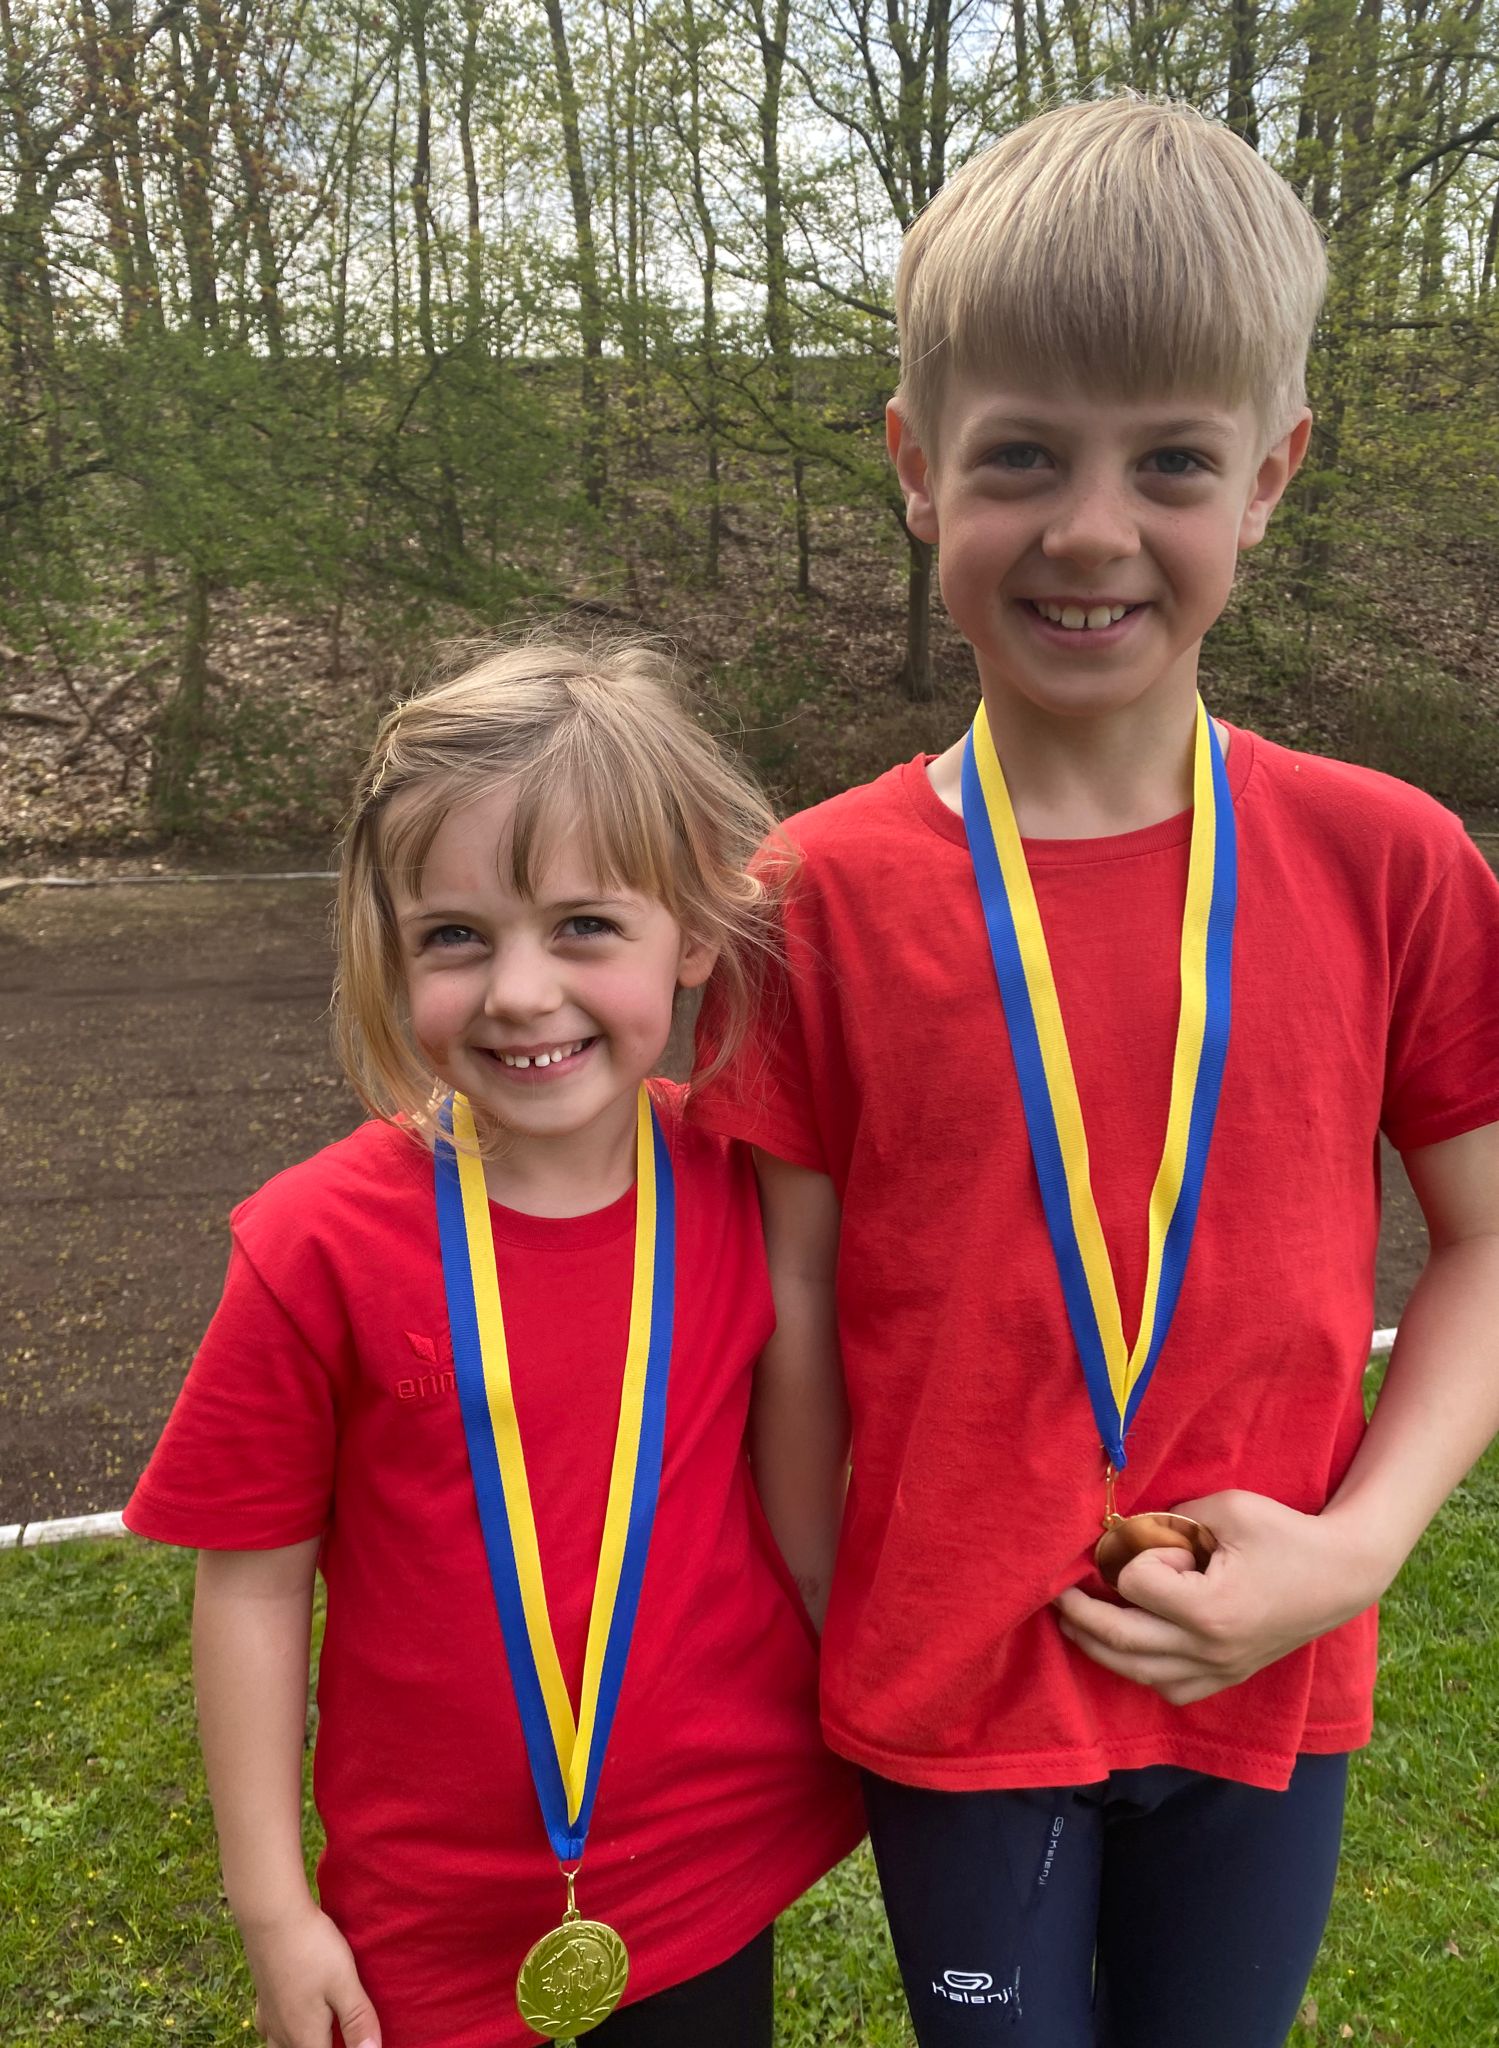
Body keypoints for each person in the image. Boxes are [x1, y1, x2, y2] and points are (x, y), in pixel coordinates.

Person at [693, 96, 1499, 2048]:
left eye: (1173, 462)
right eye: (1023, 455)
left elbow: (1487, 1241)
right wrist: (846, 1614)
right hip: (954, 1706)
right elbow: (783, 1303)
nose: (1089, 528)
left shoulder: (1388, 862)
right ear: (916, 465)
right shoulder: (812, 895)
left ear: (1272, 475)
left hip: (1264, 1664)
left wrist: (1355, 1552)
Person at [124, 635, 863, 2048]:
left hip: (709, 1874)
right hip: (426, 1923)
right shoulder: (313, 1247)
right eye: (455, 936)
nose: (520, 992)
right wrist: (274, 1910)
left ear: (695, 932)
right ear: (390, 954)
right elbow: (254, 1587)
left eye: (583, 924)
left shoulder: (744, 1188)